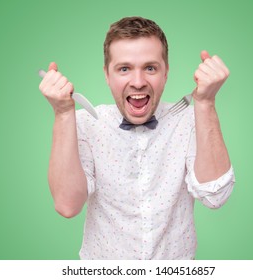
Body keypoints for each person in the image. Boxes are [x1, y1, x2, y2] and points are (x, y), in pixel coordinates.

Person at [38, 16, 235, 260]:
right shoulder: (84, 123)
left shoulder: (189, 120)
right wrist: (62, 113)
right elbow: (68, 205)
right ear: (107, 75)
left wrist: (205, 103)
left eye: (150, 68)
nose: (139, 82)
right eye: (124, 69)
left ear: (166, 73)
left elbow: (216, 196)